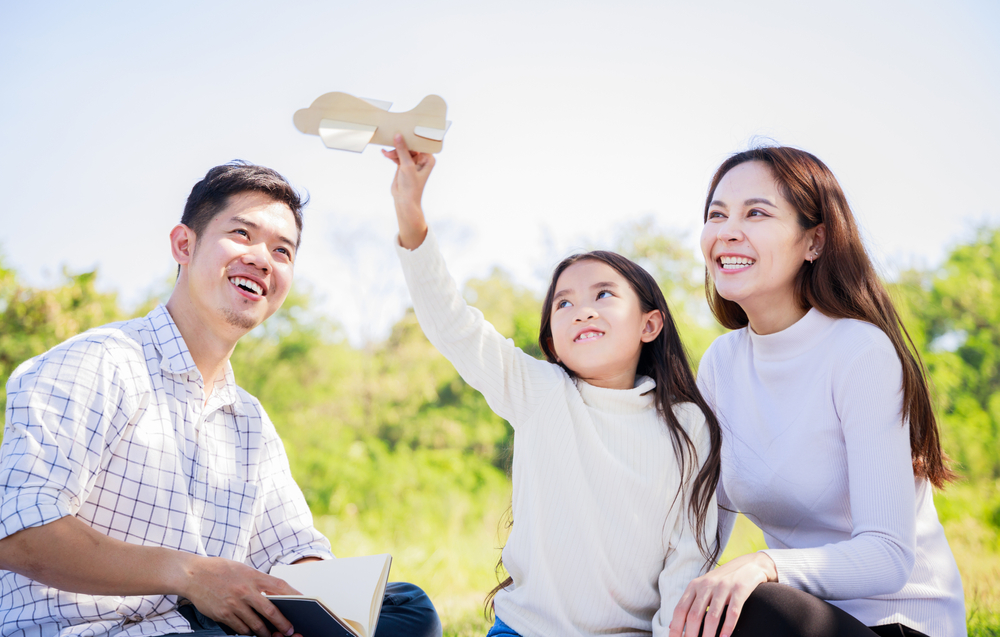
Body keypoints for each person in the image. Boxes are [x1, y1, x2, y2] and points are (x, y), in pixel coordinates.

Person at [0, 161, 441, 637]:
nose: (262, 258)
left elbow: (289, 546)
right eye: (242, 234)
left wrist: (320, 594)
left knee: (406, 610)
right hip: (95, 630)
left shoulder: (249, 420)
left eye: (282, 251)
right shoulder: (95, 364)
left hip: (210, 629)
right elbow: (19, 535)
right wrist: (190, 575)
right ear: (184, 245)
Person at [382, 134, 723, 637]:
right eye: (563, 303)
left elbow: (688, 557)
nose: (581, 308)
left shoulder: (687, 424)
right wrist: (410, 210)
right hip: (524, 630)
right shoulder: (540, 393)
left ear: (650, 325)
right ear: (553, 343)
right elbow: (452, 323)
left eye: (603, 294)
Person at [669, 146, 965, 637]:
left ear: (815, 242)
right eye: (716, 214)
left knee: (749, 605)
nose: (726, 230)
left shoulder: (859, 351)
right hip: (794, 616)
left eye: (756, 212)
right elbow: (702, 525)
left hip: (897, 625)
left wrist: (764, 564)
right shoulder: (722, 364)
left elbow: (888, 553)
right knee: (696, 605)